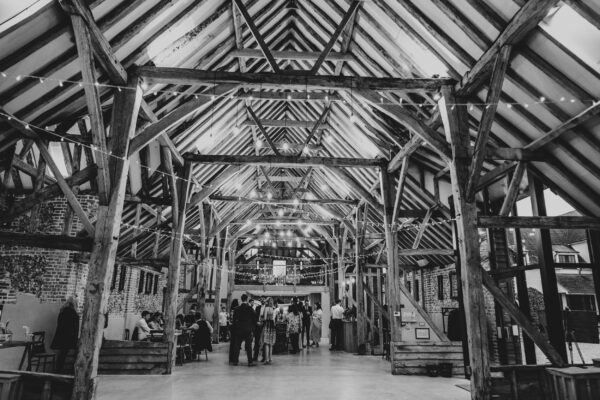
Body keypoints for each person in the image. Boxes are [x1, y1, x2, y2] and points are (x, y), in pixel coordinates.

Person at [51, 297, 79, 373]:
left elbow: (59, 325)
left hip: (60, 337)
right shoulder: (74, 314)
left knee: (61, 356)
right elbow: (75, 328)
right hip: (69, 338)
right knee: (65, 355)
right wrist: (75, 340)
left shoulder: (62, 312)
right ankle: (63, 371)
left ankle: (58, 370)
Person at [230, 294, 257, 366]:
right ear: (247, 299)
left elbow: (234, 319)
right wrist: (252, 327)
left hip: (239, 329)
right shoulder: (250, 308)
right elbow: (254, 318)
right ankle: (250, 361)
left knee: (237, 345)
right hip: (248, 329)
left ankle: (235, 361)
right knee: (248, 346)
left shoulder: (236, 308)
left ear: (241, 299)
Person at [260, 297, 276, 364]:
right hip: (272, 326)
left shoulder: (266, 308)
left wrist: (261, 319)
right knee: (271, 343)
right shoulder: (273, 309)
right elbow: (274, 319)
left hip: (267, 325)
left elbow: (265, 318)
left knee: (266, 343)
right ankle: (270, 358)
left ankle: (266, 359)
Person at [228, 299, 240, 364]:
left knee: (232, 344)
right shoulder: (236, 310)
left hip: (232, 327)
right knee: (236, 344)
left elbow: (230, 320)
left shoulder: (231, 311)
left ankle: (231, 358)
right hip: (236, 327)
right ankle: (235, 358)